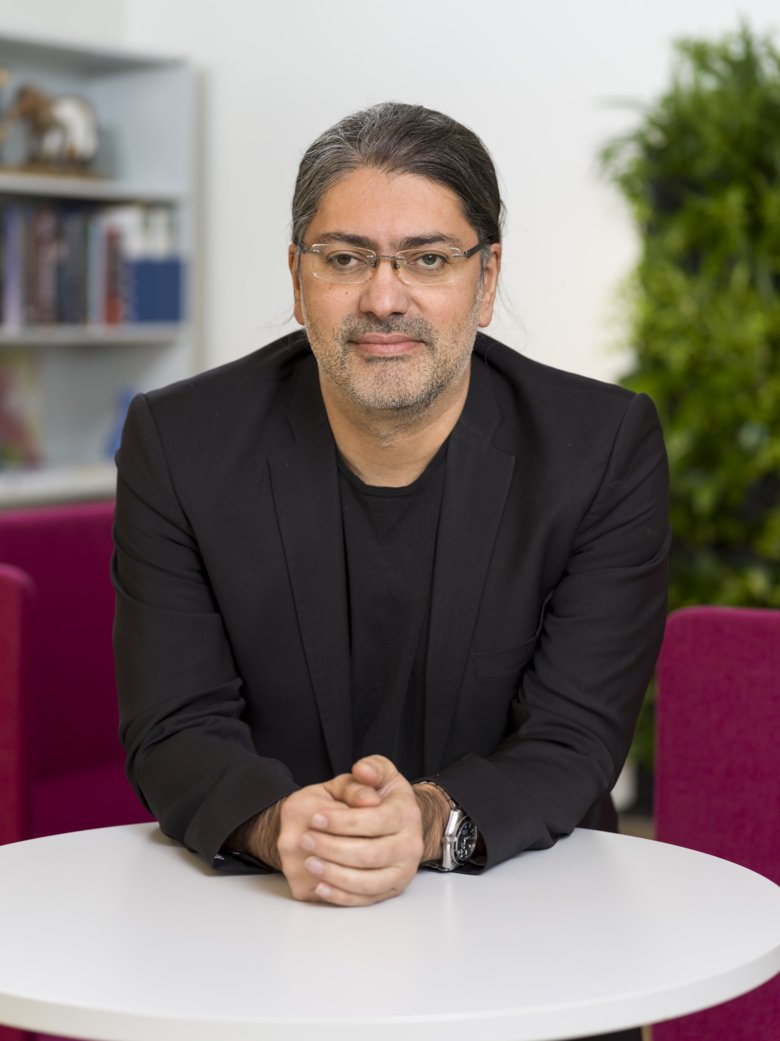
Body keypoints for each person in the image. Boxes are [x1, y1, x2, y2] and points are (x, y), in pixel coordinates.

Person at [113, 102, 669, 911]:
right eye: (345, 258)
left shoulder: (601, 449)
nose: (383, 297)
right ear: (297, 279)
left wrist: (427, 822)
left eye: (428, 259)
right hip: (262, 907)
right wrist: (284, 826)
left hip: (529, 903)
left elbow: (574, 735)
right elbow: (174, 724)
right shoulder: (178, 443)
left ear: (486, 280)